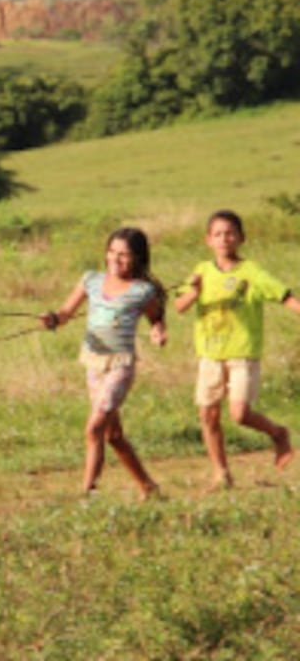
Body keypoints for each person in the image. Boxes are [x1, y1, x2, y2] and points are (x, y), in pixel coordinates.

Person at [173, 209, 299, 490]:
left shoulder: (251, 272)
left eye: (230, 233)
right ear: (208, 240)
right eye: (217, 234)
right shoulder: (201, 271)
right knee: (208, 414)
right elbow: (179, 307)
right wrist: (193, 291)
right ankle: (221, 473)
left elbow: (283, 295)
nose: (224, 239)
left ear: (241, 238)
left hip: (242, 353)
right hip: (209, 354)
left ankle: (278, 433)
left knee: (239, 413)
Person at [41, 227, 166, 499]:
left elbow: (156, 316)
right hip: (93, 363)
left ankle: (88, 491)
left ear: (138, 258)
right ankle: (148, 486)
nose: (116, 259)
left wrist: (158, 329)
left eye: (124, 255)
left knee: (94, 426)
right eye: (112, 252)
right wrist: (53, 319)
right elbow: (65, 313)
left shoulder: (142, 291)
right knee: (113, 435)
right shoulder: (91, 281)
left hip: (120, 365)